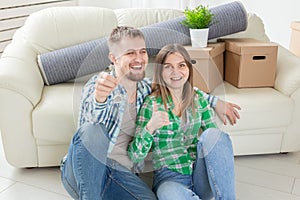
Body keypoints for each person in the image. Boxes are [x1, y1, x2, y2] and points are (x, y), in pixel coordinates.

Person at [60, 26, 240, 200]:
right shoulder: (98, 86)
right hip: (85, 170)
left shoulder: (147, 89)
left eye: (143, 51)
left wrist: (215, 101)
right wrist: (99, 99)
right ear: (113, 58)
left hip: (121, 176)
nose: (138, 58)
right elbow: (88, 135)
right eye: (130, 53)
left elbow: (180, 88)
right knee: (92, 131)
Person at [128, 44, 236, 200]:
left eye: (181, 65)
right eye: (168, 67)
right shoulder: (151, 104)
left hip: (200, 175)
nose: (176, 72)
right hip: (169, 178)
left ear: (188, 69)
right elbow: (134, 156)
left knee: (215, 134)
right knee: (169, 194)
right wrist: (150, 127)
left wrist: (216, 102)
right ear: (160, 71)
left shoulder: (198, 99)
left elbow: (214, 143)